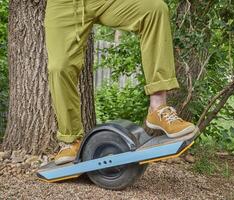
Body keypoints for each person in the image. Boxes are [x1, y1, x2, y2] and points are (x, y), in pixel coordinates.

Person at [44, 0, 195, 165]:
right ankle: (70, 139)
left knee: (155, 10)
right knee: (59, 68)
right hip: (63, 4)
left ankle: (157, 109)